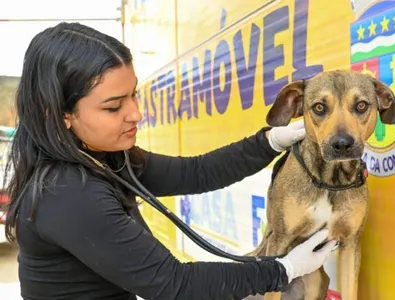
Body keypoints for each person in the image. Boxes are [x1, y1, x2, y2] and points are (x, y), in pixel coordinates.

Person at [3, 22, 338, 300]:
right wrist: (283, 270)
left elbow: (195, 173)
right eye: (113, 106)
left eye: (133, 94)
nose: (136, 113)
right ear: (59, 114)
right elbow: (172, 284)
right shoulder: (66, 193)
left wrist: (269, 141)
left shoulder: (105, 158)